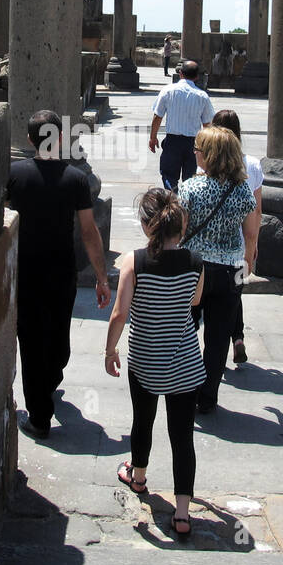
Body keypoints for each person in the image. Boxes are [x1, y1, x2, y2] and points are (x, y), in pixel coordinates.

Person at [104, 189, 204, 537]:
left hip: (146, 358)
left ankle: (139, 476)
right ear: (180, 226)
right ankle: (182, 513)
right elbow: (195, 300)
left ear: (148, 226)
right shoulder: (195, 261)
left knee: (142, 421)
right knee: (182, 436)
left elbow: (120, 314)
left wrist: (109, 350)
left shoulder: (135, 261)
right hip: (186, 362)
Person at [6, 110, 111, 440]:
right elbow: (89, 231)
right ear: (61, 138)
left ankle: (40, 406)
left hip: (26, 269)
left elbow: (1, 222)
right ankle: (43, 405)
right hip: (61, 268)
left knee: (32, 339)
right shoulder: (75, 179)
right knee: (56, 332)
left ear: (29, 140)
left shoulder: (14, 174)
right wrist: (102, 275)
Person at [178, 126, 258, 413]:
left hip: (193, 269)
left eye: (198, 149)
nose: (195, 153)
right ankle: (208, 397)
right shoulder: (242, 191)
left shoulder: (189, 188)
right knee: (218, 336)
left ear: (208, 155)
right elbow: (250, 234)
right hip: (231, 269)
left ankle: (184, 388)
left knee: (185, 331)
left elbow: (180, 231)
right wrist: (247, 264)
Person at [210, 109, 263, 364]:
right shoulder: (251, 164)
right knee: (234, 294)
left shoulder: (207, 164)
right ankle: (237, 338)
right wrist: (252, 249)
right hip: (239, 247)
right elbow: (257, 212)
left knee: (214, 302)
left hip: (208, 250)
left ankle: (227, 343)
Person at [149, 59, 213, 191]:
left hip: (173, 141)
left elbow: (157, 116)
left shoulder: (168, 91)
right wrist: (207, 147)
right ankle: (186, 204)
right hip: (193, 143)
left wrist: (153, 137)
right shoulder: (202, 96)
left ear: (180, 73)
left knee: (168, 175)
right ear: (196, 77)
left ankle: (173, 199)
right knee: (191, 179)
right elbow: (207, 124)